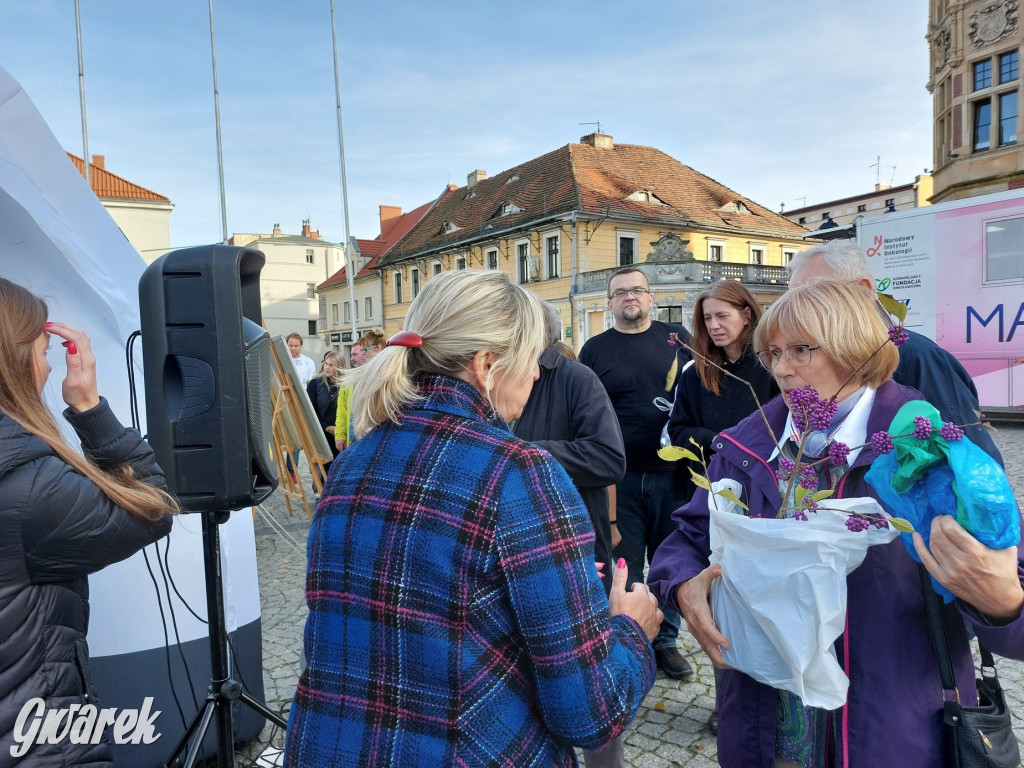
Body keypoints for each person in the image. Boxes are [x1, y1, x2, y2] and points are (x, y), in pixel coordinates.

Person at [285, 270, 661, 767]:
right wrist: (632, 629)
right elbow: (588, 715)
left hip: (332, 749)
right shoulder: (520, 472)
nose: (535, 376)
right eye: (531, 362)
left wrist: (550, 588)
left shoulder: (354, 462)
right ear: (486, 364)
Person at [649, 278, 1024, 768]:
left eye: (802, 350)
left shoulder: (930, 453)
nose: (782, 370)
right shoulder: (748, 444)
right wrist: (682, 583)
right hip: (770, 730)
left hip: (889, 731)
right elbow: (691, 538)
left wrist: (1003, 604)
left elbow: (1013, 609)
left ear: (856, 347)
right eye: (772, 354)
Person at [0, 278, 177, 766]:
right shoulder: (26, 486)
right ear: (13, 361)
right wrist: (90, 407)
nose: (46, 365)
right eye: (41, 352)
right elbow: (151, 508)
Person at [512, 301, 627, 768]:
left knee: (588, 669)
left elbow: (608, 457)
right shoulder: (497, 378)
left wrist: (519, 454)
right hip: (520, 544)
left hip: (577, 544)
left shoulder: (576, 378)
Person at [665, 280, 778, 735]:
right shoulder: (697, 373)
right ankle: (727, 701)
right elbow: (678, 431)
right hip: (710, 497)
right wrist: (725, 444)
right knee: (719, 602)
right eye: (707, 319)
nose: (713, 326)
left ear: (747, 315)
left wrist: (737, 447)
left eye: (722, 316)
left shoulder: (770, 367)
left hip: (764, 498)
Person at [787, 239, 1002, 463]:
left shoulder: (919, 357)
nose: (798, 305)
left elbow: (974, 462)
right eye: (792, 295)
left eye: (815, 290)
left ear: (862, 290)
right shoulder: (810, 358)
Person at [579, 266, 695, 681]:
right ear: (610, 304)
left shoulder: (678, 340)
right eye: (621, 292)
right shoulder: (595, 349)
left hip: (674, 474)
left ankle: (666, 640)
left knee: (670, 560)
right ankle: (630, 640)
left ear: (650, 298)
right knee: (625, 564)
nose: (630, 297)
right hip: (619, 479)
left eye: (637, 290)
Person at [305, 351, 342, 480]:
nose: (327, 367)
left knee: (339, 468)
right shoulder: (315, 384)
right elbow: (310, 412)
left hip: (340, 434)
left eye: (331, 365)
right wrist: (326, 427)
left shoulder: (346, 384)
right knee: (322, 469)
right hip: (321, 433)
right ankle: (320, 495)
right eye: (326, 364)